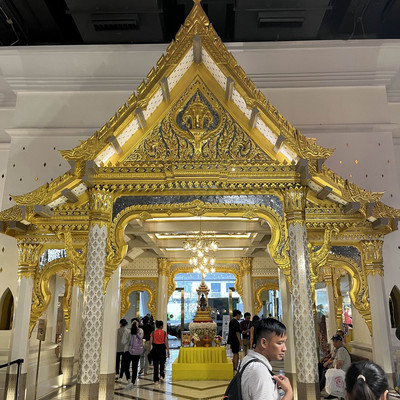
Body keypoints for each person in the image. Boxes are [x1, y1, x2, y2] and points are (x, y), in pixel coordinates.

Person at [240, 318, 293, 400]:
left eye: (284, 342)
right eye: (279, 343)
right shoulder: (259, 370)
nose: (284, 348)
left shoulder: (248, 359)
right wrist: (289, 393)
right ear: (264, 343)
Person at [324, 334, 351, 399]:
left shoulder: (341, 350)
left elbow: (340, 364)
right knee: (327, 372)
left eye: (336, 341)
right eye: (333, 341)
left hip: (343, 371)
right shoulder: (338, 350)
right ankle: (331, 392)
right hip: (340, 371)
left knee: (329, 374)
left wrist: (333, 369)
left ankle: (333, 393)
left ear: (340, 341)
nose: (334, 343)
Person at [124, 318, 144, 390]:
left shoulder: (127, 331)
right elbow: (141, 338)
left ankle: (128, 379)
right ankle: (133, 381)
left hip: (128, 351)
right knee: (135, 366)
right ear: (138, 324)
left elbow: (124, 341)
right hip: (137, 351)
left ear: (131, 323)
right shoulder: (141, 331)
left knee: (126, 365)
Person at [149, 320, 170, 384]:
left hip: (155, 348)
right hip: (162, 349)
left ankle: (156, 380)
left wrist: (148, 349)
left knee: (155, 365)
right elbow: (166, 343)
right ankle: (162, 376)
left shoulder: (152, 333)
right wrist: (168, 351)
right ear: (161, 326)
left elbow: (150, 342)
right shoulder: (164, 333)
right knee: (162, 363)